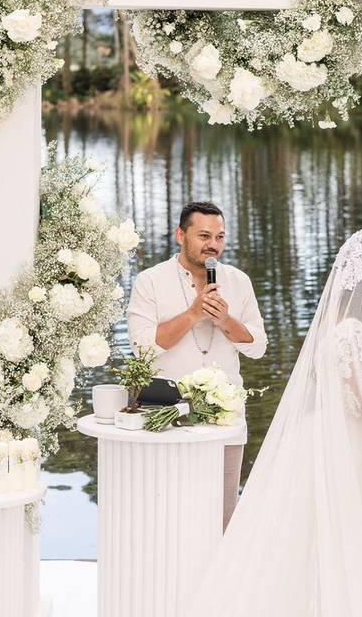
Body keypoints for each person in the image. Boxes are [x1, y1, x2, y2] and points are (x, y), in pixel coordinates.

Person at [186, 227, 362, 616]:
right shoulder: (350, 333)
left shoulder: (356, 328)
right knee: (339, 543)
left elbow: (361, 385)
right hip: (345, 449)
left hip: (347, 442)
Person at [127, 201, 267, 529]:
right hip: (166, 418)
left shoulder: (239, 281)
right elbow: (142, 348)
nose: (213, 244)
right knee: (168, 517)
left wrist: (226, 321)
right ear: (180, 235)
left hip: (226, 421)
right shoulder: (150, 281)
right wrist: (192, 315)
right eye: (204, 235)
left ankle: (219, 580)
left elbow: (258, 347)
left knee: (222, 518)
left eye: (219, 236)